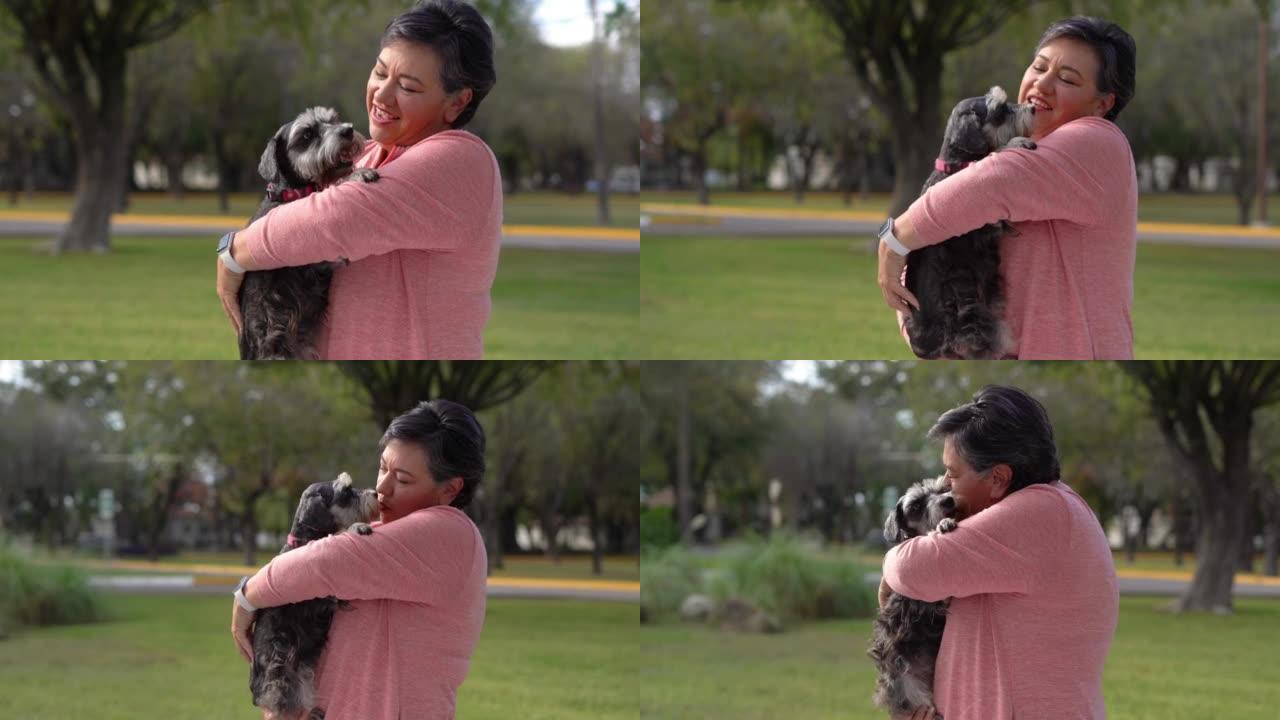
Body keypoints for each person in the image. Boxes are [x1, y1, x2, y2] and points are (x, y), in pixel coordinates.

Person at [216, 0, 502, 359]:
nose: (381, 95)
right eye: (380, 73)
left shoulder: (461, 161)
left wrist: (234, 252)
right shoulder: (366, 156)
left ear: (457, 103)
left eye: (408, 88)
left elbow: (333, 219)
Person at [876, 16, 1138, 360]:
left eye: (1067, 79)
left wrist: (893, 239)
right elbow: (928, 264)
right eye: (1039, 67)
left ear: (1102, 104)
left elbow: (995, 184)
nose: (1041, 85)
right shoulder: (1002, 153)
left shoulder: (1100, 143)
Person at [231, 399, 488, 720]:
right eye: (383, 467)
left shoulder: (451, 534)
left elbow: (322, 563)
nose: (382, 487)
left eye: (403, 479)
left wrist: (247, 596)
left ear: (450, 489)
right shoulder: (377, 537)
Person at [879, 385, 1118, 720]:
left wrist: (892, 564)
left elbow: (911, 571)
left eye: (953, 473)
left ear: (999, 478)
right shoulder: (1054, 510)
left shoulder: (1038, 513)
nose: (946, 487)